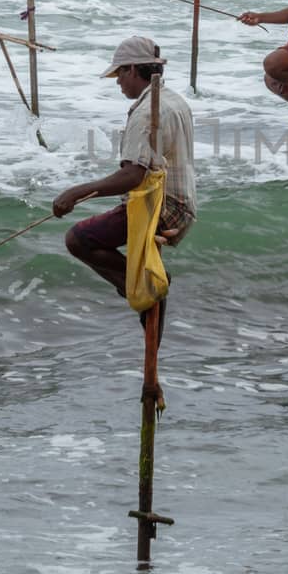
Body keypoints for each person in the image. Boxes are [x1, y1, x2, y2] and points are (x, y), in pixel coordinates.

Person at [54, 36, 196, 344]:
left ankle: (144, 288)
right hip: (183, 205)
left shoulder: (147, 113)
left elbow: (133, 175)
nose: (118, 82)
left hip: (162, 207)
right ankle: (143, 289)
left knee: (78, 239)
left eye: (119, 74)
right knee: (90, 238)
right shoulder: (174, 99)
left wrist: (77, 192)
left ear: (133, 70)